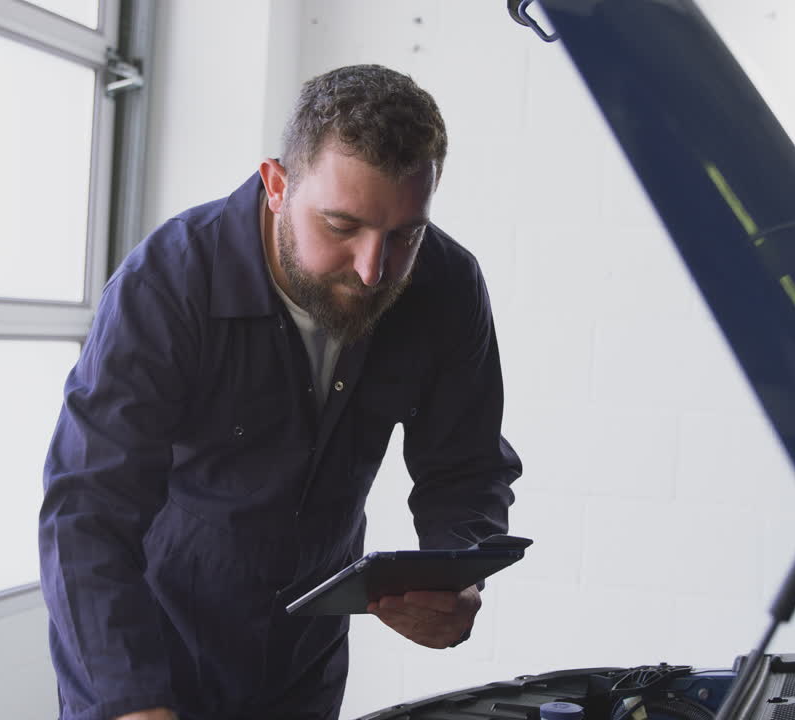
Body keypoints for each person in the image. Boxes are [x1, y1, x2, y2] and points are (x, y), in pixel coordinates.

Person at [39, 64, 521, 720]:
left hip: (304, 662)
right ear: (276, 185)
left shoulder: (447, 286)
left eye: (404, 234)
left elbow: (465, 468)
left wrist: (456, 574)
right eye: (342, 225)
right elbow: (88, 511)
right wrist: (129, 701)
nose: (373, 268)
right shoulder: (168, 285)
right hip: (149, 650)